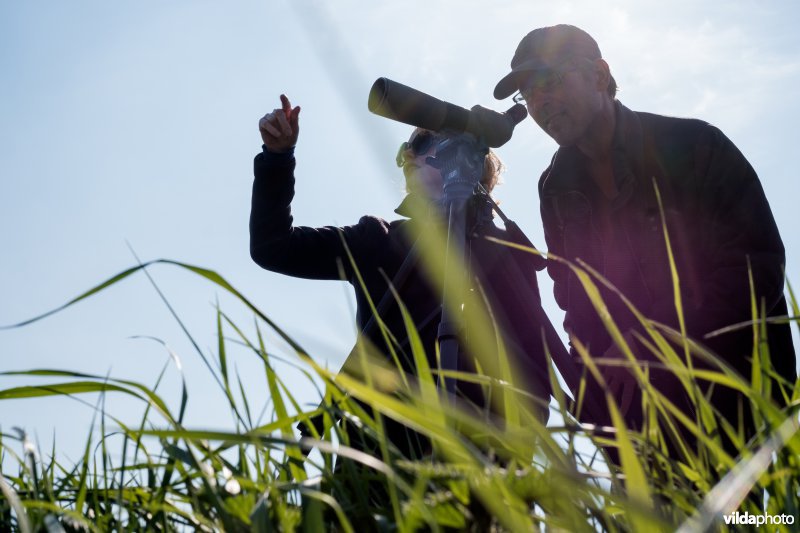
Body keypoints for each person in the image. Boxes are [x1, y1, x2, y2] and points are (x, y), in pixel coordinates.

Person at [493, 24, 796, 455]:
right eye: (528, 94)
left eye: (550, 82)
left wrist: (652, 340)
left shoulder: (695, 146)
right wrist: (596, 383)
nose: (540, 103)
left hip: (737, 402)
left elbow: (754, 267)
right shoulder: (554, 189)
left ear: (599, 76)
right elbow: (575, 301)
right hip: (643, 429)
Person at [251, 95, 561, 462]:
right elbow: (273, 248)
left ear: (474, 161)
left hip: (480, 464)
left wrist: (513, 458)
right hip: (377, 463)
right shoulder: (379, 241)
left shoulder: (507, 254)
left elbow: (534, 376)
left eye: (421, 144)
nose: (408, 157)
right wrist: (277, 158)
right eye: (403, 153)